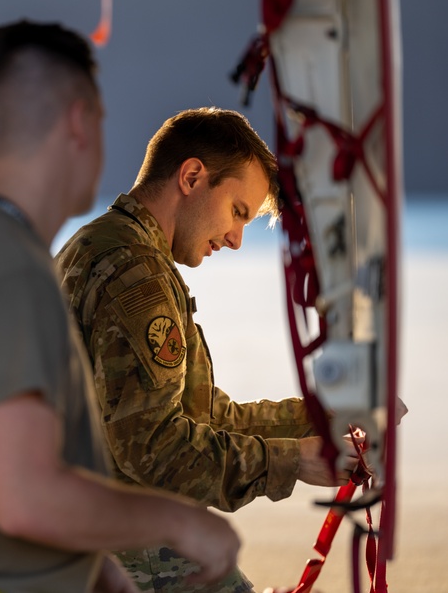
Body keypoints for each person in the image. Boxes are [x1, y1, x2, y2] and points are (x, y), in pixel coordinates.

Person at [0, 22, 243, 593]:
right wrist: (182, 523)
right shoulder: (8, 276)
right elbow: (25, 497)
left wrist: (99, 574)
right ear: (79, 124)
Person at [55, 107, 360, 593]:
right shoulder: (135, 274)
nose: (237, 240)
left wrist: (319, 421)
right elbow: (155, 451)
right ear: (192, 177)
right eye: (238, 211)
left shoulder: (98, 245)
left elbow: (198, 414)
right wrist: (292, 461)